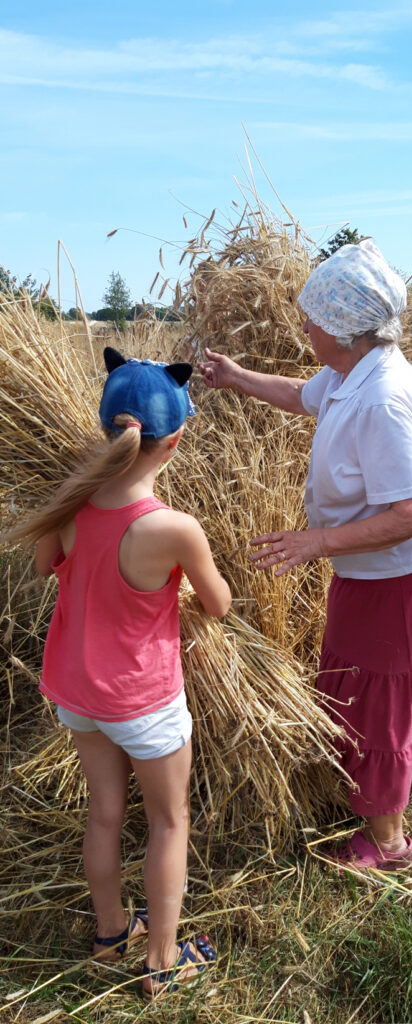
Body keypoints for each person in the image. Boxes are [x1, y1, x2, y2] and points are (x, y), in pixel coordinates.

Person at [199, 240, 412, 872]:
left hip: (404, 576)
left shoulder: (381, 398)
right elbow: (302, 396)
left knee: (381, 698)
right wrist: (236, 378)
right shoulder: (350, 374)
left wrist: (316, 542)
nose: (303, 326)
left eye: (311, 317)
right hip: (384, 571)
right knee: (374, 691)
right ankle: (386, 796)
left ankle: (389, 843)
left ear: (344, 327)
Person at [11, 348, 230, 999]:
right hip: (143, 699)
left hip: (77, 693)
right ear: (177, 439)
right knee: (168, 821)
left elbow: (47, 566)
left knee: (104, 812)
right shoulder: (173, 528)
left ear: (108, 426)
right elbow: (216, 603)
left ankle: (111, 932)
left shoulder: (70, 505)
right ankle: (163, 960)